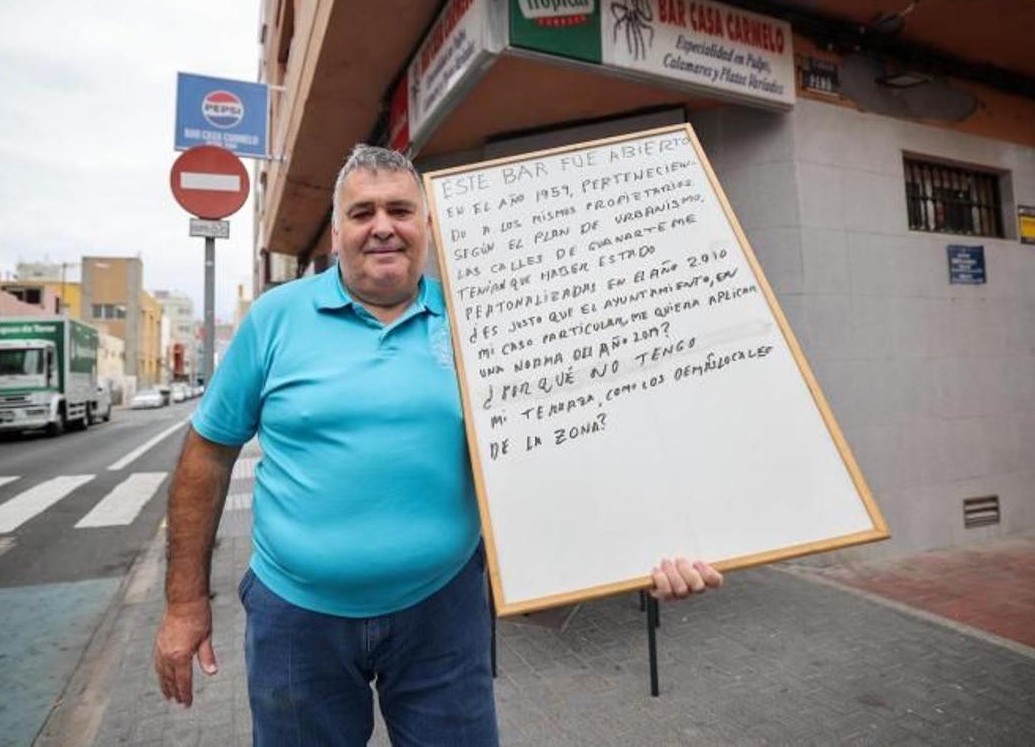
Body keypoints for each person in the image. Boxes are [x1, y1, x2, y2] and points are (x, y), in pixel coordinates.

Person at [154, 144, 723, 745]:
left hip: (443, 615)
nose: (382, 228)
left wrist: (648, 546)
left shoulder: (484, 321)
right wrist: (184, 603)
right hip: (298, 619)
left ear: (426, 224)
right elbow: (207, 455)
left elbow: (574, 438)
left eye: (400, 210)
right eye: (362, 212)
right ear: (338, 230)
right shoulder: (275, 319)